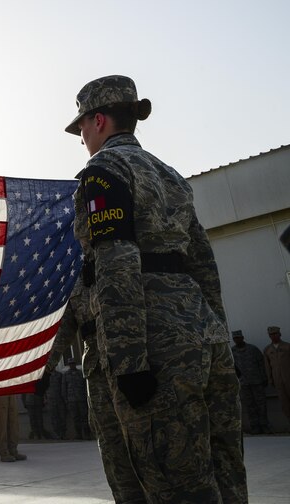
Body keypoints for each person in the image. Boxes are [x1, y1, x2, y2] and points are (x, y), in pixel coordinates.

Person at [66, 75, 247, 503]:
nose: (82, 139)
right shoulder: (171, 176)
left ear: (100, 120)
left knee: (163, 480)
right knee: (224, 472)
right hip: (203, 338)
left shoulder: (104, 171)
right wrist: (219, 340)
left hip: (152, 346)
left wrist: (129, 362)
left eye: (83, 129)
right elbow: (203, 264)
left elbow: (115, 262)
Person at [50, 280, 145, 503]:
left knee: (148, 443)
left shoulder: (127, 256)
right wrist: (44, 368)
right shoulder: (75, 278)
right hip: (97, 372)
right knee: (112, 449)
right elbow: (64, 328)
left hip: (134, 363)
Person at [231, 330, 270, 434]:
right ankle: (255, 426)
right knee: (250, 405)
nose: (237, 340)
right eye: (235, 338)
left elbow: (261, 364)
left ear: (243, 337)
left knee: (261, 404)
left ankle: (264, 425)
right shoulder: (232, 352)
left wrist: (264, 378)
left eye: (238, 337)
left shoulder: (253, 349)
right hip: (243, 383)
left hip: (257, 381)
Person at [264, 326, 290, 424]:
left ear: (279, 334)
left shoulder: (287, 347)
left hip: (288, 378)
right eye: (271, 334)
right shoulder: (267, 349)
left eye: (275, 333)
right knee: (284, 403)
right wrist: (270, 380)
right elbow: (267, 366)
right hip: (278, 380)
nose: (273, 336)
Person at [62, 358, 92, 440]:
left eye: (73, 363)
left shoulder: (80, 373)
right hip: (71, 400)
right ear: (69, 365)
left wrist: (87, 397)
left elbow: (85, 386)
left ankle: (87, 434)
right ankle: (78, 434)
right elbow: (64, 388)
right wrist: (66, 400)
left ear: (75, 364)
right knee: (75, 418)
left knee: (84, 417)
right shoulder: (65, 375)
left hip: (81, 399)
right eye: (70, 364)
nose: (72, 365)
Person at [0, 395, 26, 463]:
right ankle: (4, 452)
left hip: (10, 390)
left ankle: (13, 450)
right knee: (1, 423)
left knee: (13, 421)